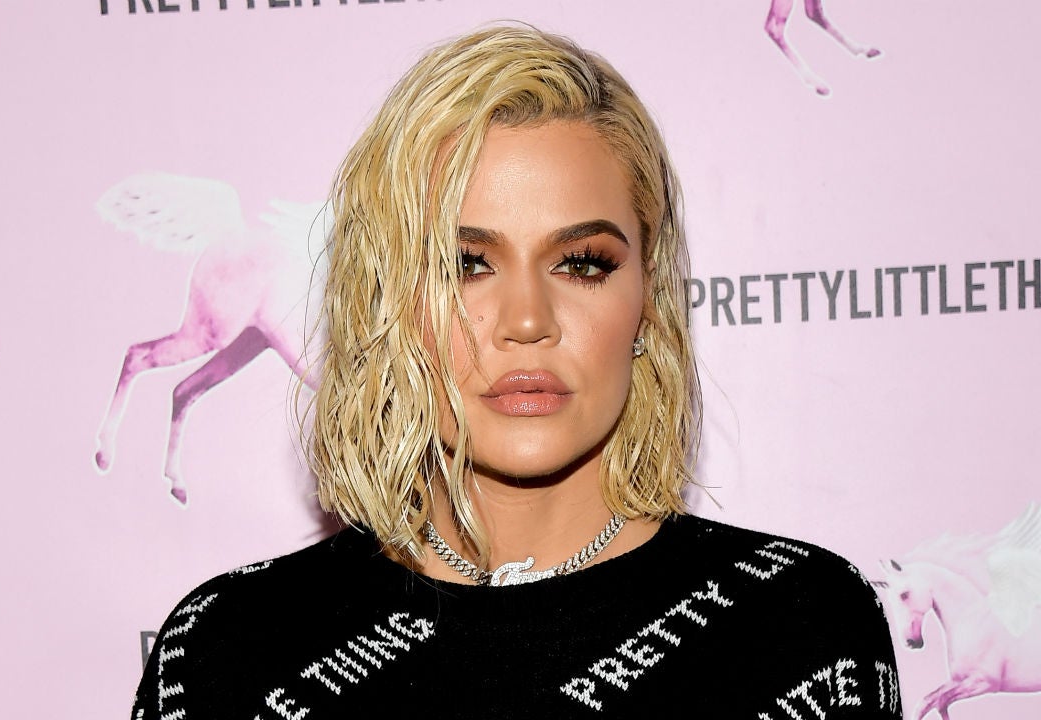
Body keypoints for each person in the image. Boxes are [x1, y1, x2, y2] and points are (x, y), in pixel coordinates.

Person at [131, 25, 902, 719]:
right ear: (383, 301)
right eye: (465, 264)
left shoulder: (799, 628)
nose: (528, 320)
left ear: (648, 301)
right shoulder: (226, 652)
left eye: (582, 263)